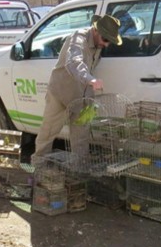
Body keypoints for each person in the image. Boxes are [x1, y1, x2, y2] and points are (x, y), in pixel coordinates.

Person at [32, 14, 122, 159]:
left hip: (82, 98)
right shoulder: (78, 38)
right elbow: (73, 62)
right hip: (60, 94)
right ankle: (38, 168)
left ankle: (79, 170)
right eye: (105, 39)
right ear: (96, 30)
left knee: (81, 138)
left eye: (109, 42)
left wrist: (89, 91)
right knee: (47, 134)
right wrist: (91, 80)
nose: (106, 45)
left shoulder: (99, 43)